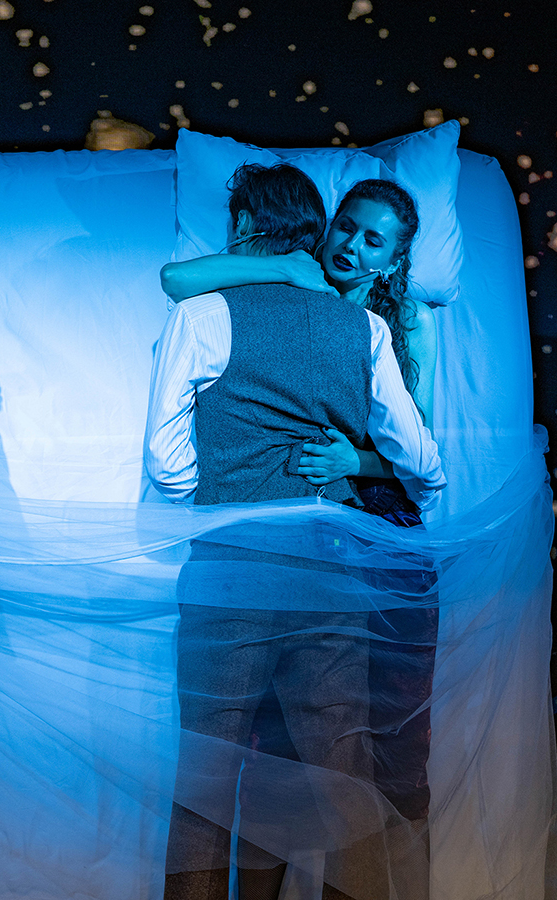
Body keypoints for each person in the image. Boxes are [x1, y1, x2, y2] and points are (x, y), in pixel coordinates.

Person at [143, 163, 444, 900]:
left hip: (231, 571)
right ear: (317, 230)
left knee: (206, 779)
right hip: (327, 573)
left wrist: (227, 494)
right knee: (345, 780)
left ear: (246, 227)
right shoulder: (364, 328)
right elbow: (427, 467)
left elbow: (165, 463)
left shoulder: (203, 315)